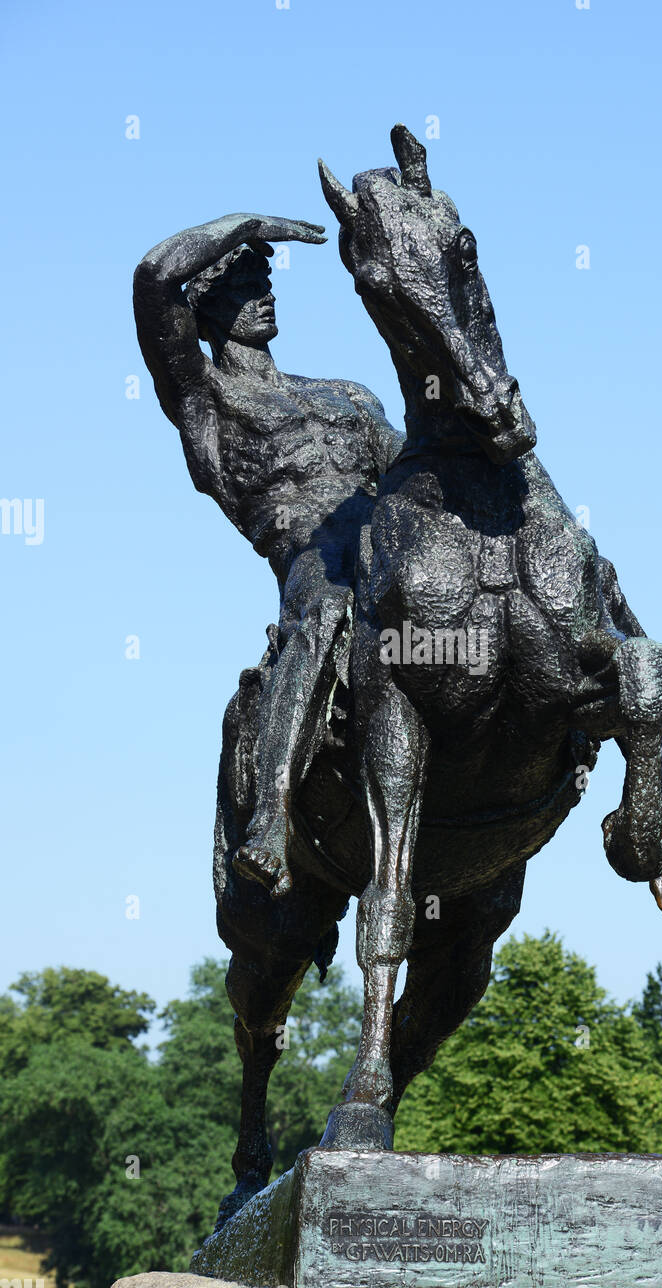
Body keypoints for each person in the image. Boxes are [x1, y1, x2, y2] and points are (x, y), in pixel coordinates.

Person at [133, 213, 403, 896]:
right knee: (325, 611)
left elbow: (415, 473)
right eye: (246, 283)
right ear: (203, 309)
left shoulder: (347, 395)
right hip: (312, 559)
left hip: (392, 542)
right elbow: (154, 275)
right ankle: (271, 820)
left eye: (266, 280)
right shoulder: (205, 401)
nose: (266, 293)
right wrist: (251, 225)